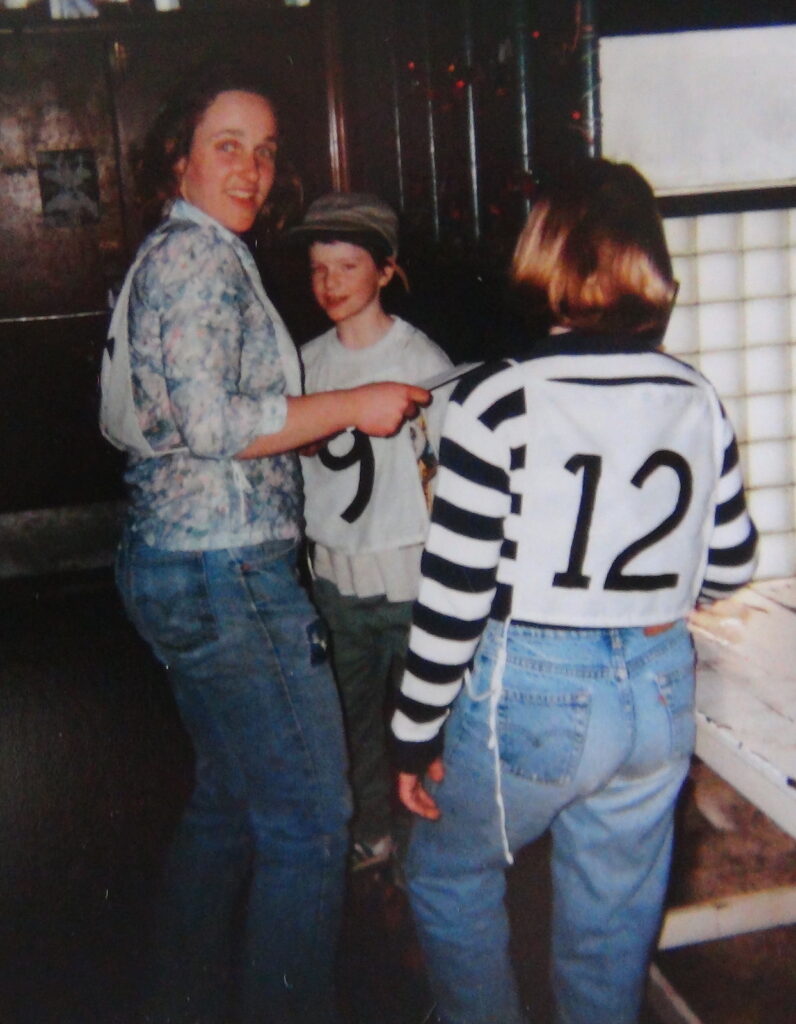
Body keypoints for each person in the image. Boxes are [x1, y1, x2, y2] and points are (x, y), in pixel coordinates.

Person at [390, 158, 758, 1024]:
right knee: (611, 914)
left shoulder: (495, 400)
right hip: (660, 690)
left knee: (448, 874)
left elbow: (454, 595)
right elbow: (732, 563)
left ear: (543, 255)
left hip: (532, 688)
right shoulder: (694, 395)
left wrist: (412, 736)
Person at [104, 64, 428, 1024]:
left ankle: (184, 995)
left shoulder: (184, 248)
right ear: (180, 158)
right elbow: (214, 421)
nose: (251, 170)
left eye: (264, 151)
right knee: (307, 825)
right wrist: (356, 404)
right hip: (228, 568)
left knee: (231, 801)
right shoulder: (197, 259)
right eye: (227, 147)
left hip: (178, 561)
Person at [290, 193, 453, 871]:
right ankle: (372, 831)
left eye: (348, 267)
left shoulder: (420, 359)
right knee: (350, 722)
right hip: (336, 582)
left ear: (385, 272)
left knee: (429, 721)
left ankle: (439, 842)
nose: (330, 284)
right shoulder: (302, 363)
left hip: (411, 580)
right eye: (319, 268)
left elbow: (452, 473)